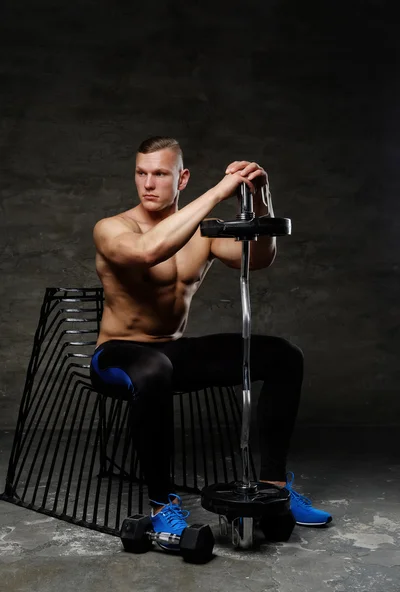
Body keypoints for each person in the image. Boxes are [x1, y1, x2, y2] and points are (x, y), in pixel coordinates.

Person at [90, 136, 332, 550]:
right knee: (154, 368)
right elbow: (149, 251)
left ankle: (273, 489)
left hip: (170, 350)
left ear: (181, 178)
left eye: (160, 174)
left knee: (283, 357)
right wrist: (220, 190)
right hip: (118, 355)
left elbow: (258, 258)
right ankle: (162, 503)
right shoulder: (113, 228)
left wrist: (261, 198)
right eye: (141, 173)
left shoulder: (201, 234)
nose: (148, 183)